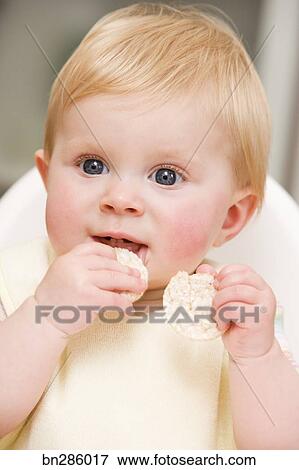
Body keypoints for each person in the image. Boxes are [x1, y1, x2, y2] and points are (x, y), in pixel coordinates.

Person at [0, 2, 299, 450]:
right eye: (92, 164)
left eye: (166, 176)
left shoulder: (233, 313)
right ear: (47, 179)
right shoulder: (16, 283)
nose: (119, 199)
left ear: (230, 218)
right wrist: (44, 319)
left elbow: (281, 454)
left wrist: (256, 356)